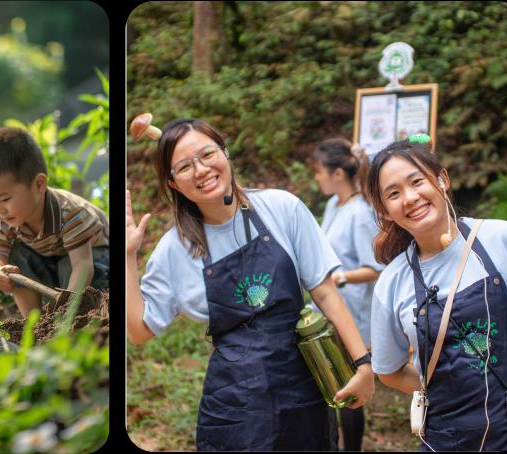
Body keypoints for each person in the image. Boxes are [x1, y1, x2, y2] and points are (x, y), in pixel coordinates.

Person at [127, 118, 375, 451]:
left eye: (207, 154)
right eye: (184, 166)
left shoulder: (281, 208)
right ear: (172, 183)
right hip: (234, 405)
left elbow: (324, 290)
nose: (201, 170)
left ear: (225, 153)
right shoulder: (174, 249)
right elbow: (140, 331)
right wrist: (127, 258)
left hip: (304, 383)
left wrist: (362, 364)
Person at [367, 138, 507, 451]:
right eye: (394, 193)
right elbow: (388, 371)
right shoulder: (392, 283)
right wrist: (442, 385)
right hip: (449, 438)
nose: (410, 198)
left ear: (442, 180)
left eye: (417, 182)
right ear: (385, 210)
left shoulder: (502, 239)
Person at [0, 127, 109, 317]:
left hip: (95, 261)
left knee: (67, 266)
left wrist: (68, 308)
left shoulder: (69, 213)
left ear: (39, 185)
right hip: (53, 264)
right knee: (15, 256)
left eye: (4, 199)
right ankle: (34, 322)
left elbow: (83, 265)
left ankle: (74, 315)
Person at [311, 138, 384, 451]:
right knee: (331, 385)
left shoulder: (360, 213)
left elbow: (376, 268)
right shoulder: (332, 206)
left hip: (353, 313)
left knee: (349, 387)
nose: (316, 178)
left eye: (318, 172)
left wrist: (339, 278)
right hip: (329, 313)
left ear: (338, 173)